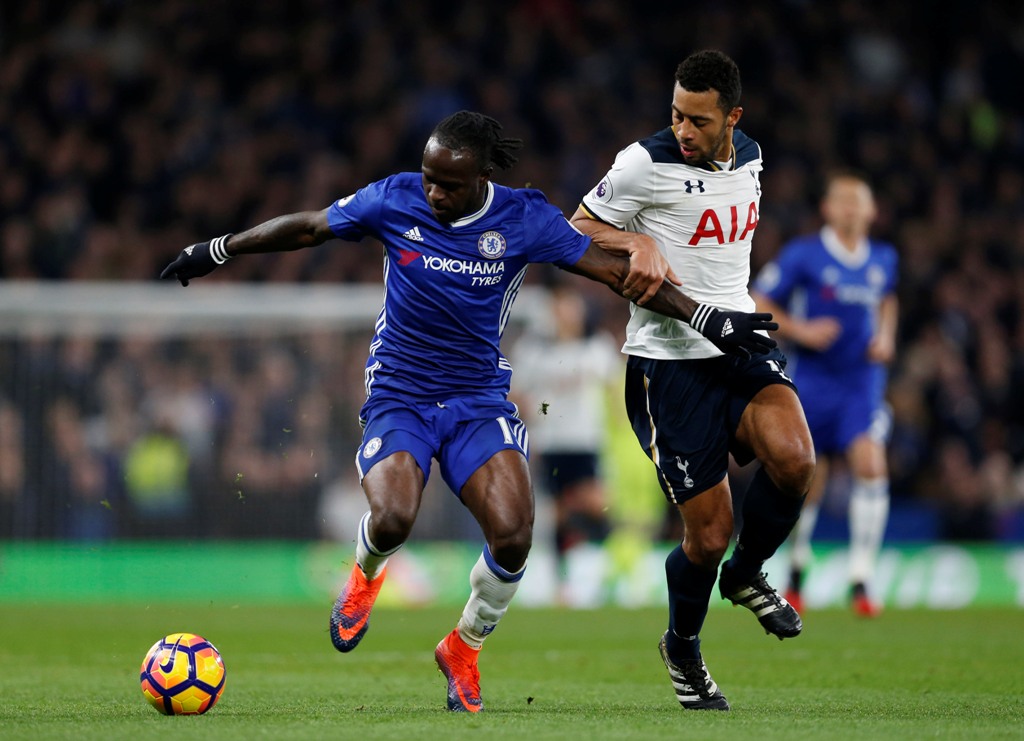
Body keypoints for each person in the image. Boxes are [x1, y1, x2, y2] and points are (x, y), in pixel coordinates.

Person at [160, 110, 778, 713]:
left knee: (514, 536)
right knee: (394, 517)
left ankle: (463, 647)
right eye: (429, 178)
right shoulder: (393, 199)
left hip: (477, 399)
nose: (434, 193)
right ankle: (366, 574)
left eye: (449, 184)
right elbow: (311, 228)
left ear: (482, 177)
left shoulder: (524, 217)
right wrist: (218, 249)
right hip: (400, 391)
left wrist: (707, 318)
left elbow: (616, 275)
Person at [570, 50, 815, 711]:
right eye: (676, 114)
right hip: (668, 364)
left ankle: (746, 574)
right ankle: (682, 646)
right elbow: (576, 230)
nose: (683, 129)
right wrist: (637, 242)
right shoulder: (642, 164)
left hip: (737, 344)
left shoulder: (752, 157)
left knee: (796, 458)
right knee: (707, 535)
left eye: (699, 120)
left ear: (733, 117)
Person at [752, 171, 899, 618]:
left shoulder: (884, 258)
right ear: (827, 209)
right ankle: (798, 567)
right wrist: (801, 330)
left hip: (861, 382)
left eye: (859, 201)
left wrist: (886, 335)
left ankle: (862, 577)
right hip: (812, 379)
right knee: (807, 478)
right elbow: (759, 300)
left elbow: (888, 299)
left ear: (872, 211)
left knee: (870, 464)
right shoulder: (804, 254)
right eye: (843, 201)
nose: (852, 209)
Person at [511, 281, 620, 599]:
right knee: (555, 511)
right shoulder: (533, 351)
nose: (565, 313)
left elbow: (616, 388)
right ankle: (563, 580)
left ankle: (598, 567)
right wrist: (527, 411)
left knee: (597, 504)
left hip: (586, 440)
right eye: (559, 307)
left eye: (571, 306)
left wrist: (621, 423)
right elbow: (515, 394)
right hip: (549, 442)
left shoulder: (596, 347)